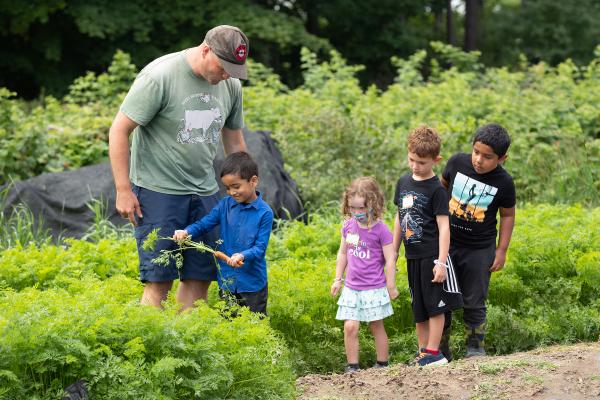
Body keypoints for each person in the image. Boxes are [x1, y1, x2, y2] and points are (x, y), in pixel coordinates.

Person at [108, 25, 250, 310]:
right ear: (206, 49)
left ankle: (188, 348)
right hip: (158, 191)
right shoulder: (160, 76)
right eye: (223, 67)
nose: (226, 75)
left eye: (233, 70)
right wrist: (123, 189)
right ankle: (153, 348)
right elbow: (119, 130)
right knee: (159, 279)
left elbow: (234, 143)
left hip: (205, 192)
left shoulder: (230, 85)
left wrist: (247, 195)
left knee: (201, 276)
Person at [440, 123, 516, 357]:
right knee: (442, 299)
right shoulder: (456, 163)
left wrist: (501, 250)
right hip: (447, 245)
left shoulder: (504, 182)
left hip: (479, 249)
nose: (478, 160)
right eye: (476, 152)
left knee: (474, 300)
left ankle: (475, 347)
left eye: (487, 156)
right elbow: (440, 189)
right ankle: (440, 348)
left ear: (502, 158)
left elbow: (508, 215)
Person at [392, 126, 463, 367]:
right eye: (412, 160)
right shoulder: (402, 182)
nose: (415, 166)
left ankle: (435, 352)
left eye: (421, 162)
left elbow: (444, 227)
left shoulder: (436, 189)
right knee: (419, 308)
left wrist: (441, 262)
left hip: (432, 257)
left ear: (436, 160)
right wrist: (392, 252)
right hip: (411, 257)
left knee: (435, 306)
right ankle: (423, 352)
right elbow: (399, 217)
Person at [172, 152, 273, 315]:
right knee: (228, 324)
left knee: (255, 325)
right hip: (227, 280)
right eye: (227, 188)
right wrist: (186, 231)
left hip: (252, 284)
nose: (232, 192)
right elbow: (205, 224)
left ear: (253, 181)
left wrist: (243, 255)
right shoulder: (225, 205)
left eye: (236, 186)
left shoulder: (264, 213)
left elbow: (260, 248)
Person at [331, 177, 399, 373]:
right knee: (350, 327)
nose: (357, 213)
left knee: (376, 326)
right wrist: (338, 279)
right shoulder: (348, 227)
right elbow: (343, 253)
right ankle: (353, 367)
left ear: (373, 204)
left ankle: (382, 364)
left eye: (361, 208)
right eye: (353, 208)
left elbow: (391, 258)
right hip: (352, 288)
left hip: (374, 287)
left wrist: (391, 285)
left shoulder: (381, 230)